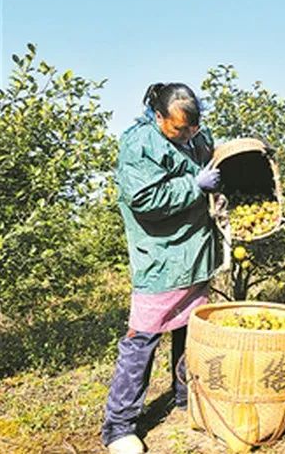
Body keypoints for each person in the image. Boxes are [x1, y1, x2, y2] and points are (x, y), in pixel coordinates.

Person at [102, 83, 221, 454]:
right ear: (158, 117)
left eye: (192, 128)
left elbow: (214, 162)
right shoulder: (140, 144)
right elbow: (144, 199)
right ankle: (119, 426)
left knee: (192, 329)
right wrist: (194, 185)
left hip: (195, 252)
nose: (186, 135)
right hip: (161, 254)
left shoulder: (197, 137)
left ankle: (186, 397)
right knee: (143, 337)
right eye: (178, 129)